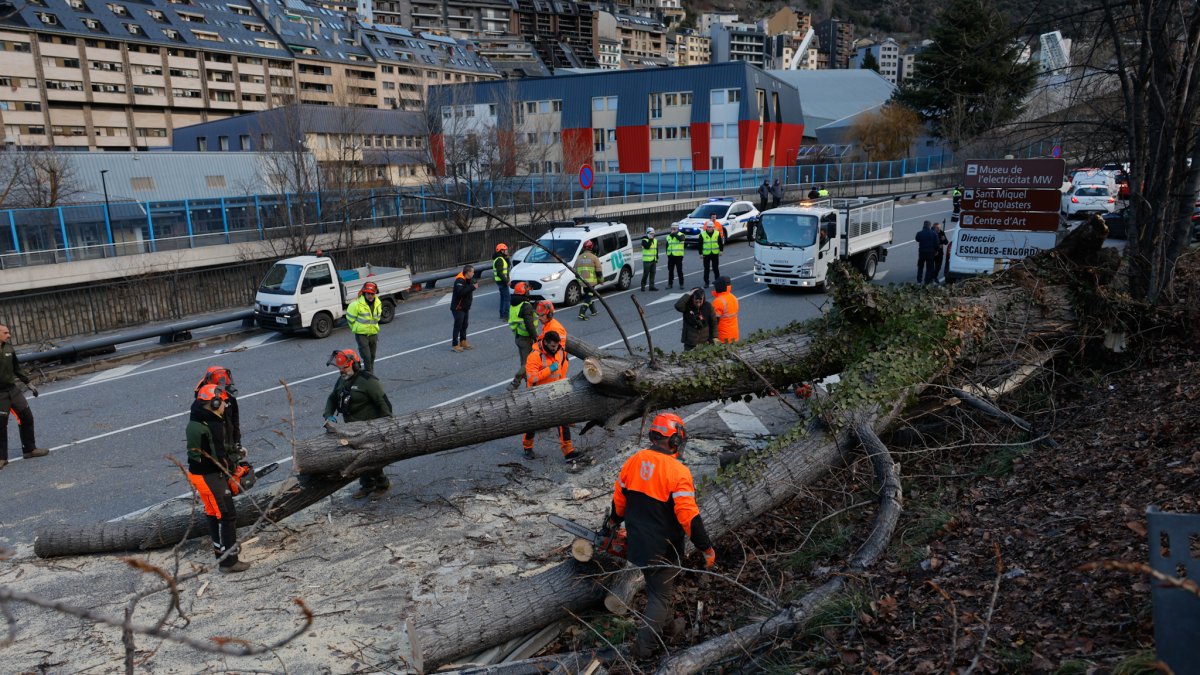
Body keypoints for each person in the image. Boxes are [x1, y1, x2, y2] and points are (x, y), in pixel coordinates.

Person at [604, 413, 715, 659]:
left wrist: (613, 521)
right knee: (660, 597)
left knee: (659, 590)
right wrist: (705, 547)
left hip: (638, 544)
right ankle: (643, 651)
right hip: (663, 548)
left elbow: (619, 499)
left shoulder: (635, 460)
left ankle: (665, 631)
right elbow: (689, 517)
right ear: (674, 441)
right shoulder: (678, 472)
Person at [187, 384, 251, 573]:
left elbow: (218, 449)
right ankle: (228, 561)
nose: (225, 405)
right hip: (209, 476)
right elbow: (219, 456)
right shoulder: (212, 426)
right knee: (227, 515)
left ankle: (219, 551)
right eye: (222, 402)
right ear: (213, 403)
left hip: (198, 474)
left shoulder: (198, 419)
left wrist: (236, 451)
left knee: (214, 513)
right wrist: (235, 469)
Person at [324, 349, 393, 499]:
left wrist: (386, 425)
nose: (342, 371)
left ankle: (382, 484)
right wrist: (328, 414)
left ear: (355, 365)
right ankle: (366, 485)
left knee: (370, 459)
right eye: (340, 368)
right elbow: (333, 398)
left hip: (370, 428)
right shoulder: (342, 379)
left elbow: (384, 404)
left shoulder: (369, 381)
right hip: (351, 428)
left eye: (345, 368)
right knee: (356, 458)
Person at [520, 330, 583, 462]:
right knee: (533, 423)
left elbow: (563, 367)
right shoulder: (534, 356)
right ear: (546, 343)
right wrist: (550, 369)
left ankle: (568, 452)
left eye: (557, 346)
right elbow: (531, 377)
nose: (556, 348)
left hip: (556, 392)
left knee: (563, 422)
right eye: (553, 346)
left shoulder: (560, 350)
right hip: (538, 395)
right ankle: (527, 447)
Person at [0, 324, 47, 470]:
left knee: (26, 417)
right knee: (1, 426)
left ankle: (29, 449)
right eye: (5, 332)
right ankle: (1, 458)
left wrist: (28, 383)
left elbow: (17, 368)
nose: (9, 335)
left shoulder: (8, 348)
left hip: (13, 390)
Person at [194, 366, 241, 457]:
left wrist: (237, 442)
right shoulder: (203, 399)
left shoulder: (229, 396)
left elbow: (235, 419)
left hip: (229, 438)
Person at [508, 282, 540, 389]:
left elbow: (522, 315)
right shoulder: (526, 306)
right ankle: (515, 383)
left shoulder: (515, 303)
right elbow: (529, 324)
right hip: (526, 338)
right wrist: (536, 337)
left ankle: (529, 382)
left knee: (524, 361)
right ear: (523, 292)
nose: (529, 291)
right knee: (528, 363)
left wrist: (532, 307)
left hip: (518, 336)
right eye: (527, 290)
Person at [346, 281, 382, 372]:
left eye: (372, 294)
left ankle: (369, 374)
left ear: (375, 294)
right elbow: (350, 320)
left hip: (373, 333)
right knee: (367, 357)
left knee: (372, 356)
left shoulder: (378, 303)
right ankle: (369, 377)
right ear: (364, 293)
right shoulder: (355, 305)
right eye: (368, 293)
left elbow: (377, 318)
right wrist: (356, 329)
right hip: (361, 335)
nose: (370, 296)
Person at [450, 264, 477, 352]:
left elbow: (473, 281)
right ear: (468, 272)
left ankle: (463, 341)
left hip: (465, 306)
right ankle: (454, 344)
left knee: (465, 325)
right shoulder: (459, 280)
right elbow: (460, 293)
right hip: (458, 307)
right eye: (472, 272)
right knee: (458, 326)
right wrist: (472, 287)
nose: (473, 273)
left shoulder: (468, 278)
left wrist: (473, 283)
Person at [575, 240, 602, 321]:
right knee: (588, 297)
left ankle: (593, 311)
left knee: (588, 295)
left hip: (582, 282)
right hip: (591, 282)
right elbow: (598, 271)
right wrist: (601, 280)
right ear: (591, 247)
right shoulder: (594, 257)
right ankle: (581, 313)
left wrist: (579, 280)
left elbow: (575, 271)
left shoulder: (579, 258)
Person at [711, 276, 739, 344]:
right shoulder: (733, 297)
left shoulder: (718, 301)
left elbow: (714, 321)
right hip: (734, 335)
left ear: (720, 287)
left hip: (723, 337)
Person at [698, 220, 724, 288]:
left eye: (711, 227)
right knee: (706, 268)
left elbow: (720, 243)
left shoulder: (717, 233)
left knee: (716, 268)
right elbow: (700, 244)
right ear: (706, 227)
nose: (709, 228)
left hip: (715, 253)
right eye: (708, 227)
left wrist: (721, 250)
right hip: (706, 254)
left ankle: (717, 281)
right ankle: (706, 282)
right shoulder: (702, 234)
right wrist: (700, 253)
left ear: (713, 227)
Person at [915, 220, 940, 285]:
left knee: (920, 266)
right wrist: (936, 251)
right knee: (929, 268)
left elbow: (917, 239)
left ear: (923, 225)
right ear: (930, 226)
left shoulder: (919, 233)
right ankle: (926, 282)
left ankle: (919, 281)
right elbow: (937, 244)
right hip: (930, 253)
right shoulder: (934, 233)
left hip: (922, 252)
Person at [493, 243, 511, 321]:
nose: (507, 251)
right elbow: (500, 273)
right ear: (501, 251)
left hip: (500, 281)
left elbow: (508, 265)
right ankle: (505, 316)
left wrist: (507, 258)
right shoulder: (499, 260)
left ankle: (502, 314)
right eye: (505, 250)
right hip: (502, 281)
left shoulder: (501, 258)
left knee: (503, 298)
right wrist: (507, 281)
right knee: (507, 298)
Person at [665, 224, 686, 289]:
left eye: (674, 229)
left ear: (677, 229)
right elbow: (667, 245)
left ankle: (681, 284)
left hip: (678, 256)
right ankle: (670, 284)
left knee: (679, 270)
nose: (673, 230)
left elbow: (681, 239)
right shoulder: (669, 236)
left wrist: (675, 234)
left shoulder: (681, 235)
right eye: (672, 229)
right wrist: (667, 254)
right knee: (670, 270)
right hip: (671, 256)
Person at [640, 227, 659, 292]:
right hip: (647, 260)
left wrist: (656, 257)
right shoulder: (644, 240)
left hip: (653, 260)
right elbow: (647, 247)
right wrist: (650, 240)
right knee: (646, 274)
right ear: (647, 233)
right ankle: (643, 286)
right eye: (651, 233)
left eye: (653, 233)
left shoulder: (655, 240)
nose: (652, 235)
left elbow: (656, 249)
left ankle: (652, 286)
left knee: (653, 273)